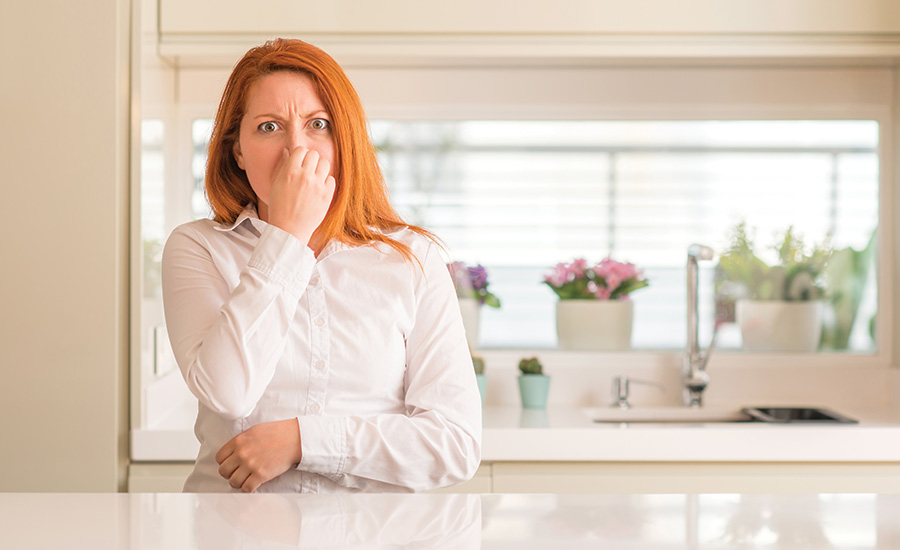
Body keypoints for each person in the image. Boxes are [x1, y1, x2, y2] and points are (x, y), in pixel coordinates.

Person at [161, 38, 482, 493]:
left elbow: (454, 444)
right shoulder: (197, 248)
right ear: (237, 151)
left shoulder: (413, 258)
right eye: (269, 127)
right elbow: (227, 394)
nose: (297, 150)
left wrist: (302, 440)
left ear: (344, 140)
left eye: (318, 124)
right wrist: (287, 236)